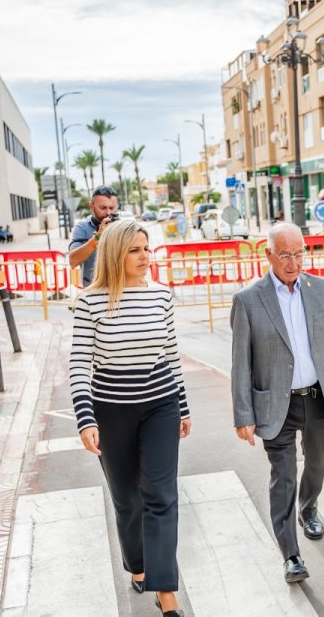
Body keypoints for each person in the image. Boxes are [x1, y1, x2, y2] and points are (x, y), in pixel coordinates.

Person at [70, 219, 191, 617]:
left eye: (146, 248)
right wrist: (86, 419)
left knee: (161, 495)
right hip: (111, 412)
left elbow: (171, 355)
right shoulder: (89, 302)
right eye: (135, 250)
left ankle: (165, 590)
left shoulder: (161, 296)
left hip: (160, 406)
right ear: (114, 254)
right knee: (127, 499)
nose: (145, 256)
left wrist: (183, 407)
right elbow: (78, 364)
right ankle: (137, 563)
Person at [231, 222, 324, 583]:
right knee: (283, 476)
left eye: (299, 254)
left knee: (316, 464)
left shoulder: (320, 289)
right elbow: (241, 363)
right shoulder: (248, 299)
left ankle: (309, 507)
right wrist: (243, 414)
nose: (294, 263)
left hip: (319, 398)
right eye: (286, 255)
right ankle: (291, 555)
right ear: (269, 255)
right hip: (276, 405)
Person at [69, 185, 120, 287]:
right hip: (93, 288)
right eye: (103, 208)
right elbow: (73, 261)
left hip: (120, 286)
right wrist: (97, 238)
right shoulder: (82, 227)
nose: (108, 213)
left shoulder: (123, 226)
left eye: (112, 208)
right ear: (91, 206)